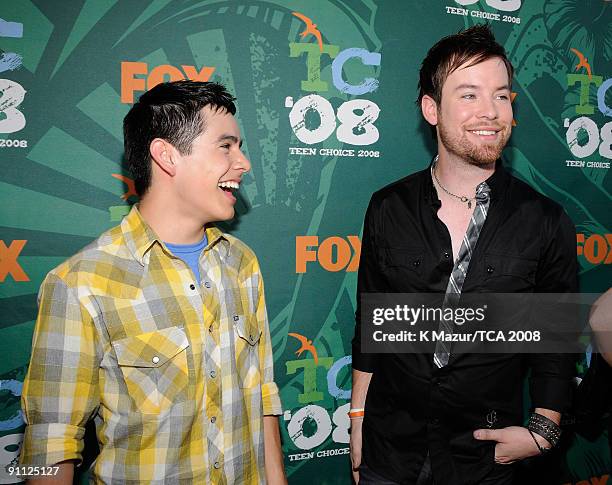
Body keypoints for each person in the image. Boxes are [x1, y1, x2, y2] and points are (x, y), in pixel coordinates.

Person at [20, 81, 286, 484]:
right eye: (226, 146)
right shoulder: (80, 283)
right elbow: (49, 442)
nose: (244, 162)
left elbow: (262, 396)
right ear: (166, 155)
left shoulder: (241, 263)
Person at [350, 24, 578, 484]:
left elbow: (556, 344)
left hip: (487, 460)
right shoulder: (388, 206)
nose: (491, 112)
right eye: (469, 95)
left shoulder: (546, 220)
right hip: (391, 452)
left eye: (501, 96)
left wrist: (542, 432)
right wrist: (357, 423)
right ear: (431, 109)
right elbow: (373, 328)